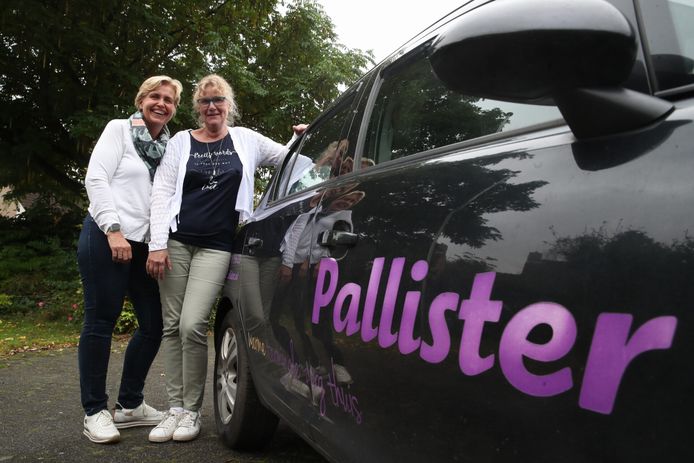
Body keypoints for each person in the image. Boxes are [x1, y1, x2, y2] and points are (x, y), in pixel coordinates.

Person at [146, 74, 306, 443]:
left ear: (228, 105)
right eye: (204, 102)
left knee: (192, 325)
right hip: (175, 243)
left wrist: (300, 137)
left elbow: (292, 161)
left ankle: (191, 412)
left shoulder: (245, 139)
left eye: (218, 100)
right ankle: (174, 409)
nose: (212, 107)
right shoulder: (182, 142)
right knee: (171, 327)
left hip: (217, 246)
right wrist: (156, 244)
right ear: (197, 108)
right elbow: (162, 191)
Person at [78, 75, 183, 444]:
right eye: (155, 96)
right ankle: (94, 411)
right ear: (142, 99)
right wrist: (113, 229)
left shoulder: (172, 147)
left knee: (153, 324)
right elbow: (96, 179)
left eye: (169, 100)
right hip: (107, 236)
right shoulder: (118, 130)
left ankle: (131, 405)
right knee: (101, 321)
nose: (162, 104)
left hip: (145, 246)